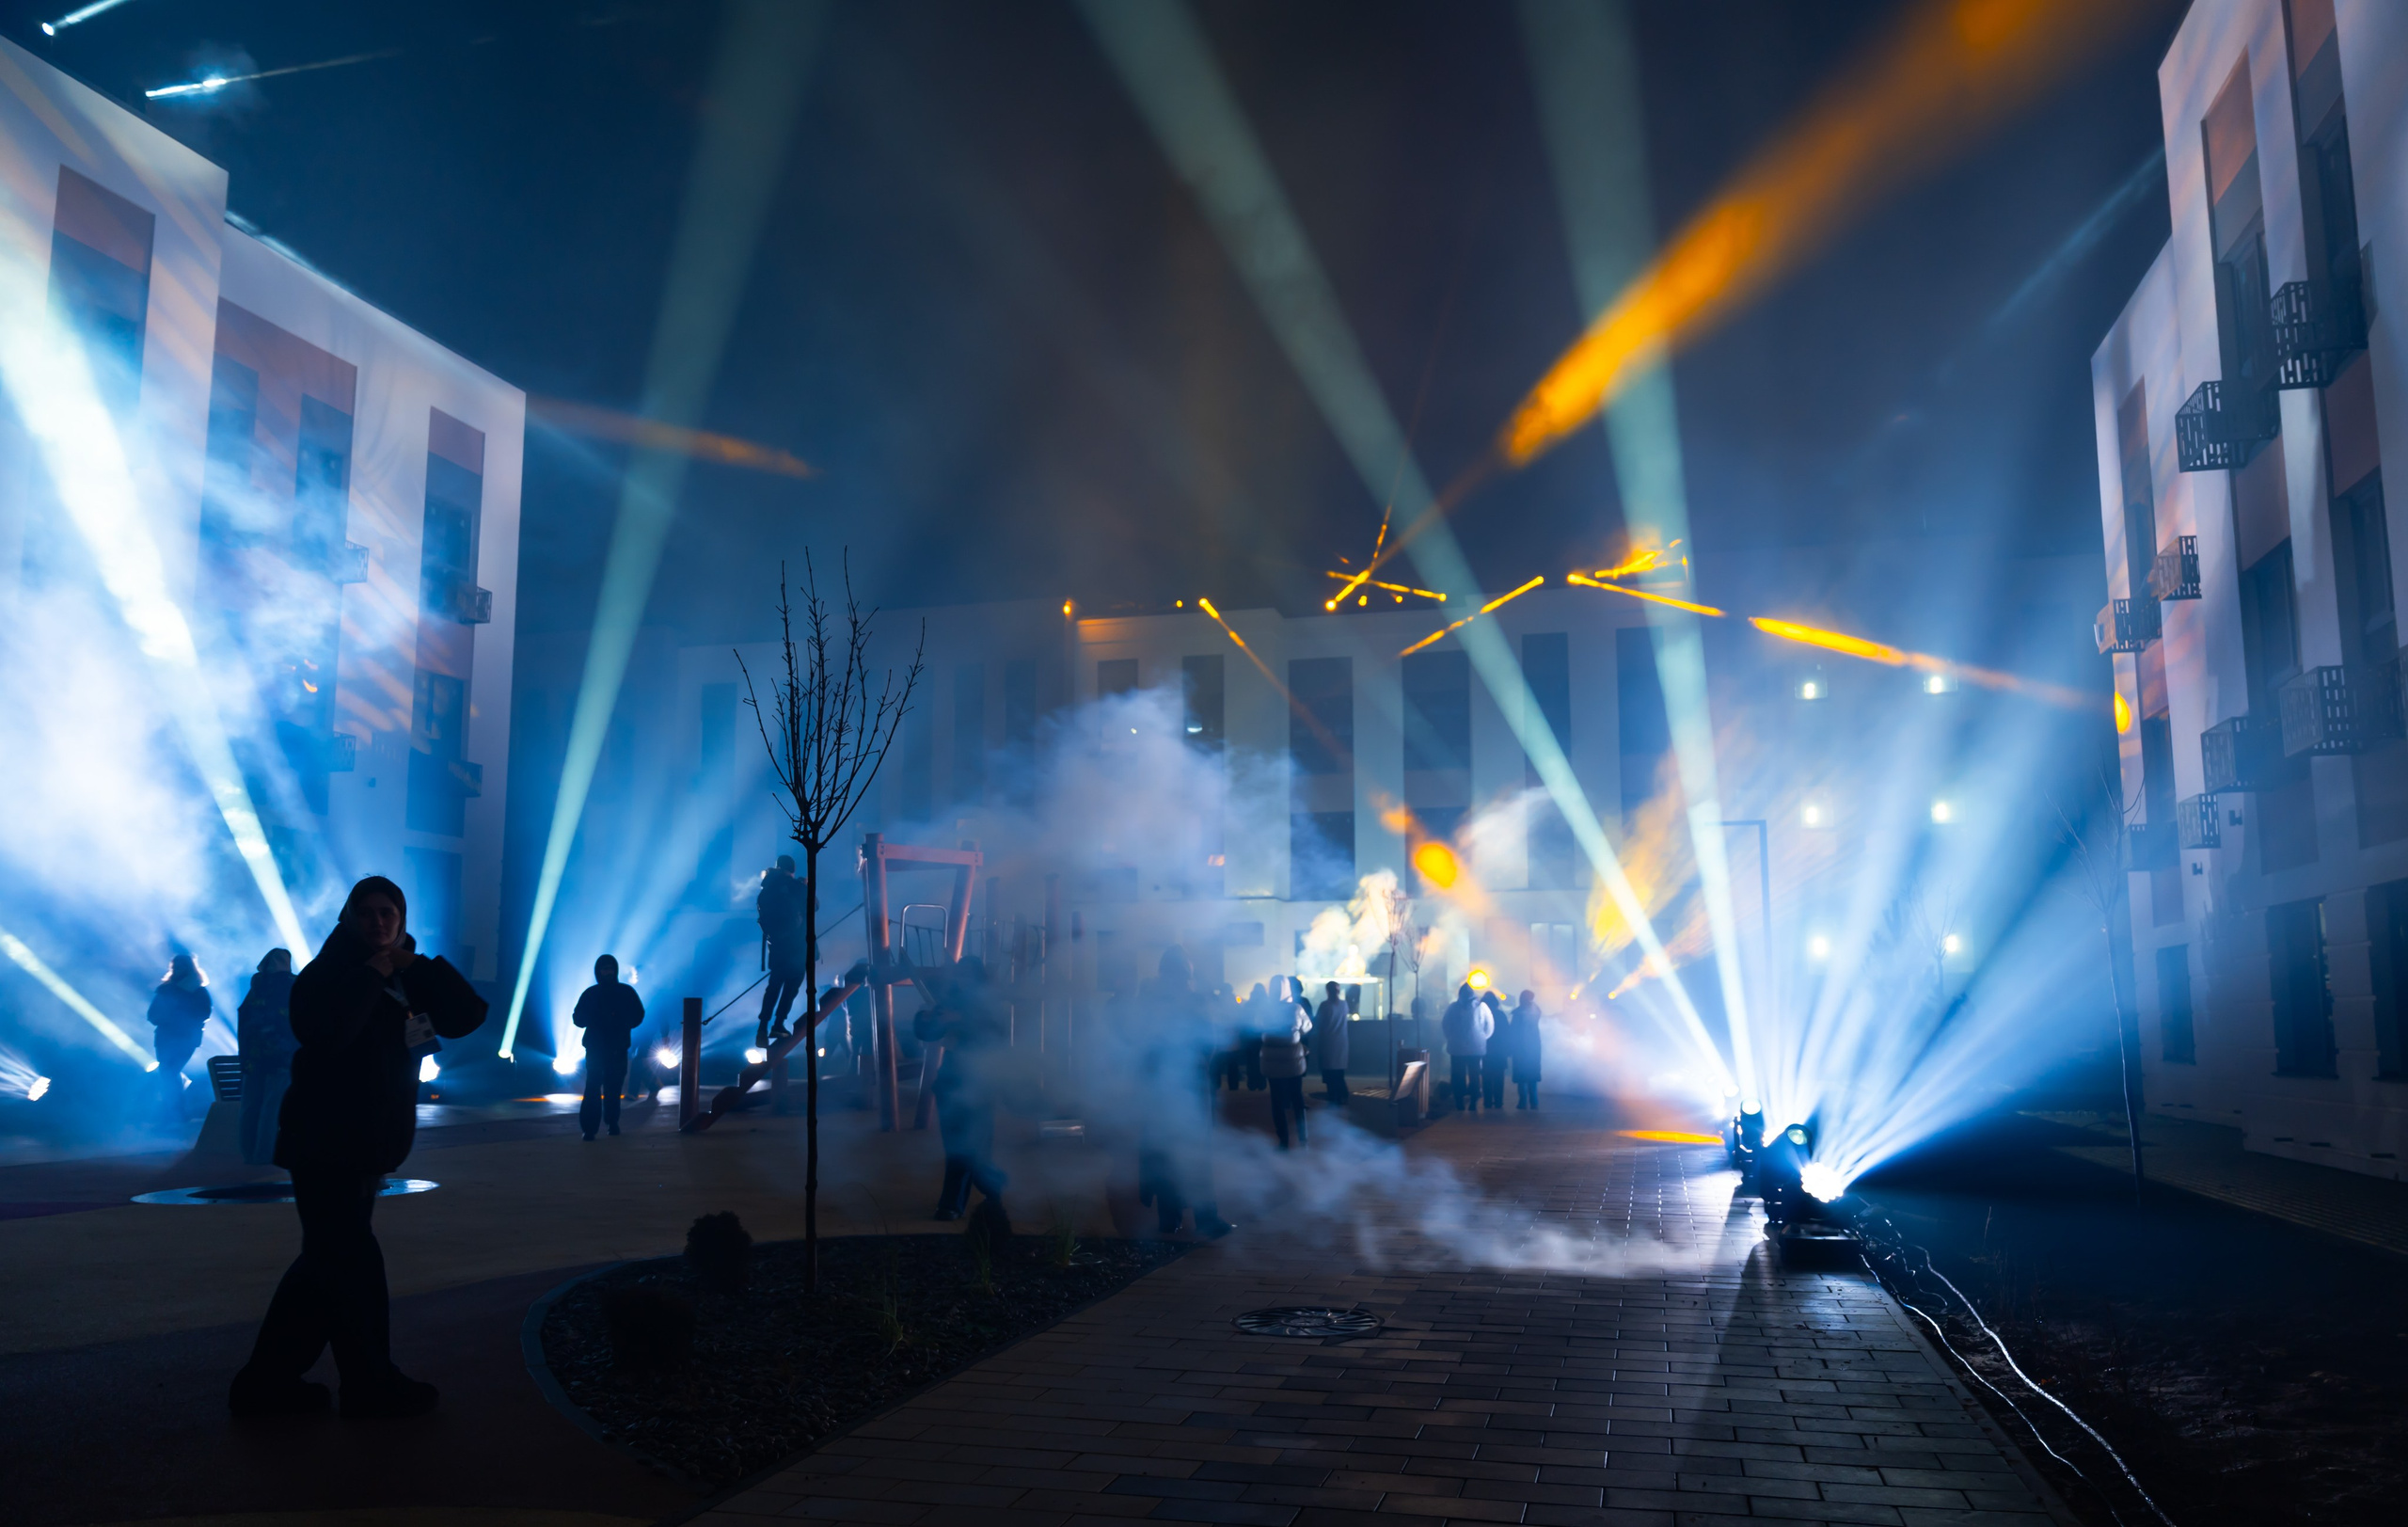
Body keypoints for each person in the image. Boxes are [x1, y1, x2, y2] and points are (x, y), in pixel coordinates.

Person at [230, 876, 486, 1419]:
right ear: (347, 918)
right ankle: (359, 1385)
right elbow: (330, 1035)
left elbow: (468, 1015)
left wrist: (418, 966)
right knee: (349, 1263)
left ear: (402, 918)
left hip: (366, 1144)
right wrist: (373, 973)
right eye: (367, 912)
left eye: (389, 912)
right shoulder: (325, 976)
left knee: (328, 1266)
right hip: (323, 1142)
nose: (378, 921)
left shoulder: (406, 977)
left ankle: (274, 1383)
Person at [1136, 947, 1232, 1233]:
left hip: (1166, 1092)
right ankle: (1201, 1217)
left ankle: (1172, 1217)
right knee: (1192, 1155)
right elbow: (1210, 1045)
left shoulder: (1150, 1004)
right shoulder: (1194, 1002)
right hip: (1186, 1090)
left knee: (1168, 1152)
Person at [915, 957, 1010, 1225]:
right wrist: (925, 1019)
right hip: (951, 1083)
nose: (962, 979)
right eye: (960, 973)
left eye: (968, 974)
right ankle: (992, 1187)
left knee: (966, 1146)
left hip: (980, 1083)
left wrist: (959, 1018)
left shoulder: (989, 1003)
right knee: (962, 1147)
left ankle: (951, 1205)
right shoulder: (950, 999)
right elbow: (928, 1032)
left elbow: (995, 1032)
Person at [573, 955, 645, 1139]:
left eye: (609, 968)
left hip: (611, 1047)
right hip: (603, 1047)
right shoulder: (621, 992)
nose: (607, 972)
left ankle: (601, 1126)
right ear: (599, 971)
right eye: (604, 969)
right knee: (597, 1087)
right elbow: (578, 1018)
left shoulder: (595, 993)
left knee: (608, 1087)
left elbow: (638, 1014)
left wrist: (615, 1023)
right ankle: (601, 1126)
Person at [236, 950, 296, 1164]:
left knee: (250, 1106)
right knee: (272, 1108)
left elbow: (244, 1019)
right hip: (282, 1057)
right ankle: (264, 1156)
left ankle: (248, 1155)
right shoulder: (292, 984)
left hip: (253, 1058)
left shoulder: (256, 987)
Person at [147, 954, 213, 1117]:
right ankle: (175, 1111)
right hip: (170, 1038)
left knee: (169, 1072)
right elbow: (153, 1014)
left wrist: (172, 1018)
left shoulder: (195, 991)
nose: (177, 968)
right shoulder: (171, 990)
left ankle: (175, 1112)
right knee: (168, 1072)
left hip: (180, 1038)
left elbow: (203, 1013)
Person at [754, 856, 808, 1048]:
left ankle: (762, 1027)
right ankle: (778, 1024)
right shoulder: (795, 887)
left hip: (776, 947)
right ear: (792, 869)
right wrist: (804, 886)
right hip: (796, 947)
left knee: (774, 985)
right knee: (791, 986)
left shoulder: (767, 888)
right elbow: (814, 905)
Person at [1259, 979, 1313, 1149]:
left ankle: (1283, 1140)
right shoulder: (1296, 1009)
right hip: (1293, 1062)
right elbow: (1307, 1027)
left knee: (1277, 1101)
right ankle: (1303, 1138)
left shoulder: (1266, 1010)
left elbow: (1257, 1028)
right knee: (1297, 1098)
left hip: (1271, 1061)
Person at [1439, 983, 1491, 1113]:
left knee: (1457, 1076)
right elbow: (1489, 1026)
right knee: (1475, 1075)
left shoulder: (1453, 1007)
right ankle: (1473, 1101)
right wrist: (1482, 1038)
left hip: (1457, 1049)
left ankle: (1459, 1102)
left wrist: (1451, 1038)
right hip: (1476, 1049)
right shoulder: (1482, 1007)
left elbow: (1446, 1025)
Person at [1311, 979, 1350, 1105]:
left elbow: (1317, 1022)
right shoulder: (1344, 1005)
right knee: (1339, 1072)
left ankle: (1333, 1096)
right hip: (1342, 1042)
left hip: (1328, 1042)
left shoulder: (1325, 1005)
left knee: (1329, 1072)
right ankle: (1342, 1095)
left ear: (1327, 991)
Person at [1507, 989, 1544, 1109]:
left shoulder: (1518, 1014)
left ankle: (1522, 1102)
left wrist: (1511, 1049)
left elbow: (1513, 1033)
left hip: (1520, 1049)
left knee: (1521, 1077)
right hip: (1533, 1048)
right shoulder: (1536, 1011)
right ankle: (1534, 1101)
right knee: (1532, 1077)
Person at [1480, 989, 1510, 1110]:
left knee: (1486, 1077)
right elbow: (1507, 1033)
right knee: (1499, 1078)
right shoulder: (1501, 1015)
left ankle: (1487, 1102)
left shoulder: (1480, 1015)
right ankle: (1498, 1101)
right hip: (1499, 1052)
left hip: (1485, 1050)